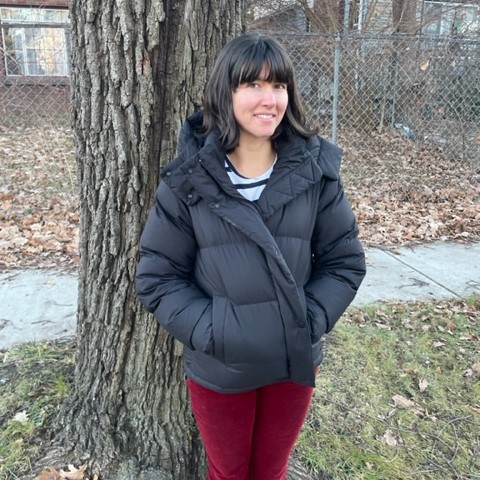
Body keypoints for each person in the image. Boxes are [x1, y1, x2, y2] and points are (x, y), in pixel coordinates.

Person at [136, 32, 366, 480]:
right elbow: (157, 277)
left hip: (292, 363)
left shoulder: (315, 172)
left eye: (278, 86)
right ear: (227, 92)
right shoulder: (190, 180)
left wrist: (307, 319)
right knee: (228, 473)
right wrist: (218, 331)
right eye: (253, 85)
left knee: (271, 471)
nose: (269, 99)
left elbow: (345, 262)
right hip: (220, 368)